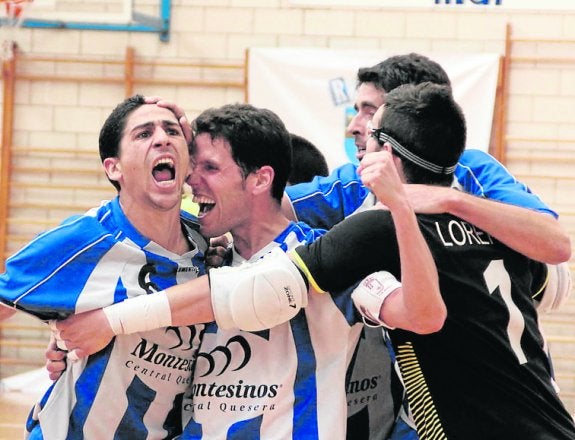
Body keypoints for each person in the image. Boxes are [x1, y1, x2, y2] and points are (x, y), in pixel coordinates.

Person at [50, 102, 446, 439]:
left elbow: (424, 316)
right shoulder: (197, 260)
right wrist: (70, 345)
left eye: (210, 168)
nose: (191, 180)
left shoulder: (327, 261)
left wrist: (402, 211)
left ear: (260, 179)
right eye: (193, 165)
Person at [280, 52, 571, 440]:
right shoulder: (357, 182)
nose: (356, 126)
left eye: (370, 112)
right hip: (421, 404)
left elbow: (555, 249)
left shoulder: (472, 170)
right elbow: (268, 204)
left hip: (503, 393)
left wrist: (452, 202)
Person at [0, 95, 211, 439]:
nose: (161, 138)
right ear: (114, 168)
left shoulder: (210, 245)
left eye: (171, 131)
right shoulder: (84, 239)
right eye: (143, 134)